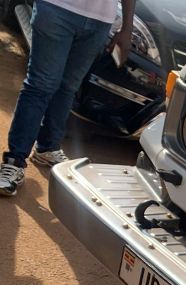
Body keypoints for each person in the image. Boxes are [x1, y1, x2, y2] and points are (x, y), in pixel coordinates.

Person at [0, 0, 134, 196]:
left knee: (68, 87)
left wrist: (127, 27)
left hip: (100, 21)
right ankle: (14, 161)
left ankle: (47, 148)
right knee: (40, 85)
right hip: (56, 9)